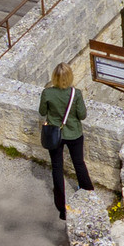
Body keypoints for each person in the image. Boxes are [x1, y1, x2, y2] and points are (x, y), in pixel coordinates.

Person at [38, 62, 91, 220]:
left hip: (55, 134)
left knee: (57, 168)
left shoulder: (47, 93)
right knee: (78, 163)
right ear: (70, 77)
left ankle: (62, 208)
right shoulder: (76, 93)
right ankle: (88, 193)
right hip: (74, 133)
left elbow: (42, 111)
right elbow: (82, 115)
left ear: (54, 77)